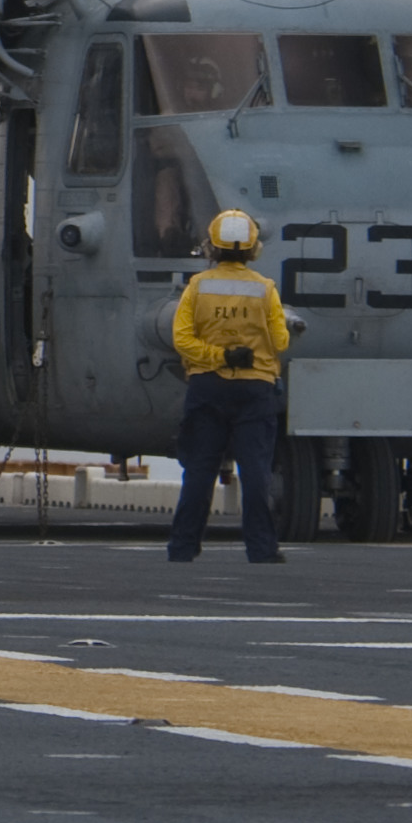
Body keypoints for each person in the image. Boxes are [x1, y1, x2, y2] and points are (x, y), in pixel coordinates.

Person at [166, 206, 296, 565]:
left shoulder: (198, 287)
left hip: (207, 387)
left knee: (199, 470)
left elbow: (182, 340)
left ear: (213, 247)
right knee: (255, 472)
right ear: (253, 249)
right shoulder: (264, 289)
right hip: (255, 390)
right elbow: (281, 341)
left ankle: (182, 547)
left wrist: (219, 356)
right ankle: (262, 549)